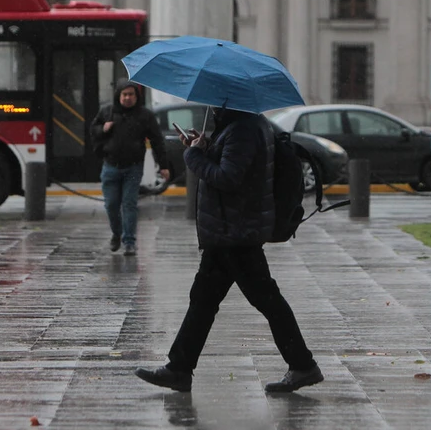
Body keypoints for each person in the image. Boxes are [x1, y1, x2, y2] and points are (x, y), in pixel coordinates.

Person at [135, 106, 323, 394]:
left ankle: (303, 365)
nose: (213, 103)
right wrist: (207, 146)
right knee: (204, 300)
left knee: (266, 300)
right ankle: (179, 369)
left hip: (235, 231)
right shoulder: (245, 124)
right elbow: (236, 167)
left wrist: (193, 156)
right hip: (229, 230)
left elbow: (228, 178)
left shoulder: (244, 129)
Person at [89, 79, 170, 256]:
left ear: (136, 96)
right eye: (124, 94)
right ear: (119, 96)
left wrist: (163, 166)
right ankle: (117, 233)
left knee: (129, 203)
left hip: (133, 168)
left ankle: (130, 241)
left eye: (131, 95)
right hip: (110, 166)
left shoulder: (145, 116)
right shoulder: (107, 111)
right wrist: (103, 128)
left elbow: (157, 141)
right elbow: (93, 130)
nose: (127, 98)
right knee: (111, 204)